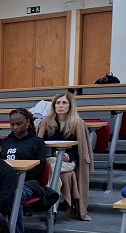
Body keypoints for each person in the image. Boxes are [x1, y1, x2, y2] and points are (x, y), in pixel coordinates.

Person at [37, 91, 94, 221]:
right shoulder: (46, 122)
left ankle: (51, 209)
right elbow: (39, 144)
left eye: (64, 103)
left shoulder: (78, 124)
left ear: (70, 106)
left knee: (51, 165)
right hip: (51, 160)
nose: (60, 106)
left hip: (69, 162)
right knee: (52, 167)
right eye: (57, 103)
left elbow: (80, 149)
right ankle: (53, 212)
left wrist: (69, 156)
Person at [2, 108, 49, 233]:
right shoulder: (5, 142)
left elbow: (40, 169)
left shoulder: (37, 142)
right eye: (12, 124)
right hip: (5, 182)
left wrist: (16, 177)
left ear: (28, 122)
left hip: (29, 183)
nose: (15, 128)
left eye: (19, 124)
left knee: (14, 196)